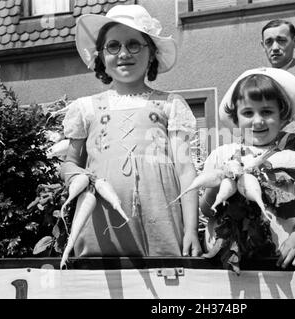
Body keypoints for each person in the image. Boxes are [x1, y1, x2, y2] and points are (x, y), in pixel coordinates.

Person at [60, 5, 202, 257]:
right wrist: (77, 178)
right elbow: (71, 161)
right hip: (100, 225)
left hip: (161, 225)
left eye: (134, 44)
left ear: (152, 54)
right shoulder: (86, 108)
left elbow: (184, 168)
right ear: (101, 57)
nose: (124, 53)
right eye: (113, 46)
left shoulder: (169, 104)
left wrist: (191, 228)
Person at [200, 67, 295, 268]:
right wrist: (218, 185)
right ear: (236, 118)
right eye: (248, 112)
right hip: (227, 261)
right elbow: (206, 210)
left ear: (283, 117)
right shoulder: (221, 155)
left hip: (282, 258)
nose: (258, 120)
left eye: (266, 111)